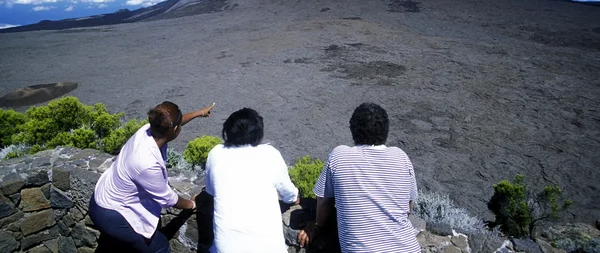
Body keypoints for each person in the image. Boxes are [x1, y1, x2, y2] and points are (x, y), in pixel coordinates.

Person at [89, 100, 215, 253]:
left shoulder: (147, 131)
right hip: (112, 215)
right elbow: (167, 198)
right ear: (175, 129)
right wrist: (192, 204)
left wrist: (199, 112)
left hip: (100, 199)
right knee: (160, 247)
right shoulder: (147, 162)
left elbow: (174, 122)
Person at [298, 102, 420, 253]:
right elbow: (408, 207)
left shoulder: (340, 156)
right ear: (386, 131)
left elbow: (324, 201)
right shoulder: (401, 157)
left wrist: (317, 226)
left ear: (353, 130)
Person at [205, 108, 300, 253]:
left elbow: (211, 191)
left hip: (227, 248)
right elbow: (290, 196)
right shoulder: (270, 155)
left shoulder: (216, 153)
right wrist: (296, 198)